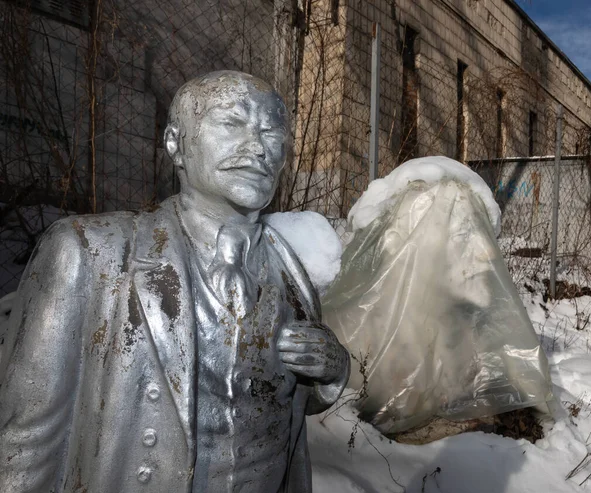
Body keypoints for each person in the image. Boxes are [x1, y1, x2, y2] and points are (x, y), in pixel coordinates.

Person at [0, 71, 350, 493]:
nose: (258, 148)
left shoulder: (291, 273)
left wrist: (330, 372)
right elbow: (28, 439)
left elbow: (275, 399)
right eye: (231, 123)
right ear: (175, 143)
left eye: (271, 132)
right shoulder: (91, 254)